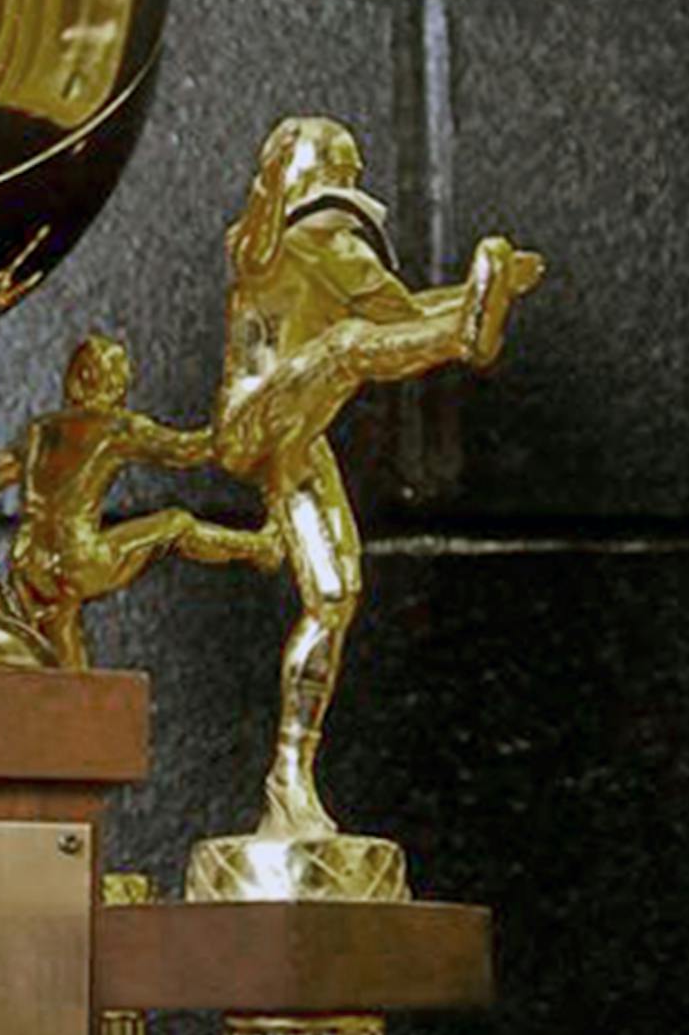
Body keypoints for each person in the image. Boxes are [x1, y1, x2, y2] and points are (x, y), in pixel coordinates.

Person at [215, 116, 544, 838]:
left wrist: (482, 295)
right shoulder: (290, 237)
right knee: (348, 347)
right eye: (343, 169)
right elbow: (385, 324)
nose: (354, 186)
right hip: (253, 421)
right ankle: (467, 339)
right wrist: (471, 309)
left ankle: (289, 776)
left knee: (334, 597)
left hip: (297, 433)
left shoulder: (319, 245)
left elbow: (394, 316)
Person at [0, 331, 278, 668]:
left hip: (28, 564)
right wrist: (237, 418)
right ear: (114, 381)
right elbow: (189, 451)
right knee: (175, 524)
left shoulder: (40, 429)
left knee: (61, 655)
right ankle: (259, 547)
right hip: (78, 558)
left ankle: (70, 715)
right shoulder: (116, 427)